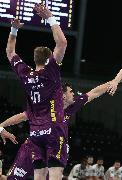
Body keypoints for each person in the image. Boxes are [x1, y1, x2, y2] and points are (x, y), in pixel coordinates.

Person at [6, 3, 68, 179]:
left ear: (34, 59)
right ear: (49, 59)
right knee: (55, 175)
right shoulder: (51, 72)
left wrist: (14, 30)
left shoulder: (25, 74)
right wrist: (50, 17)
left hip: (35, 133)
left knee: (39, 177)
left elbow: (10, 52)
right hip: (53, 129)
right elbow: (62, 42)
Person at [0, 82, 109, 180]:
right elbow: (21, 117)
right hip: (31, 148)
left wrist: (114, 81)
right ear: (63, 95)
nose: (74, 94)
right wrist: (1, 127)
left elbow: (94, 93)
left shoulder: (72, 106)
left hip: (50, 151)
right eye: (71, 92)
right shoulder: (44, 107)